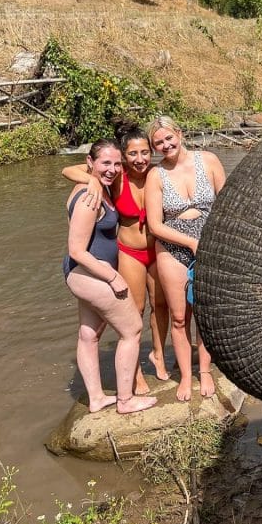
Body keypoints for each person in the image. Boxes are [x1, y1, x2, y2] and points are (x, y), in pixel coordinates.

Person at [62, 121, 171, 392]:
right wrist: (91, 180)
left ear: (152, 152)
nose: (140, 159)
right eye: (132, 154)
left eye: (145, 152)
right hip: (129, 252)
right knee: (135, 311)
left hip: (156, 249)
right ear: (123, 157)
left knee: (161, 306)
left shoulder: (157, 174)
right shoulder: (116, 178)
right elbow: (67, 169)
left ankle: (158, 355)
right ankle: (134, 374)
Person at [145, 116, 226, 401]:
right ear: (154, 147)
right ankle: (186, 377)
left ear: (179, 133)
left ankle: (204, 371)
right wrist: (190, 242)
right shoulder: (156, 175)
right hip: (173, 246)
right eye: (159, 143)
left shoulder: (209, 161)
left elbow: (226, 204)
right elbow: (155, 225)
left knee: (203, 314)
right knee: (180, 318)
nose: (166, 145)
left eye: (169, 138)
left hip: (208, 244)